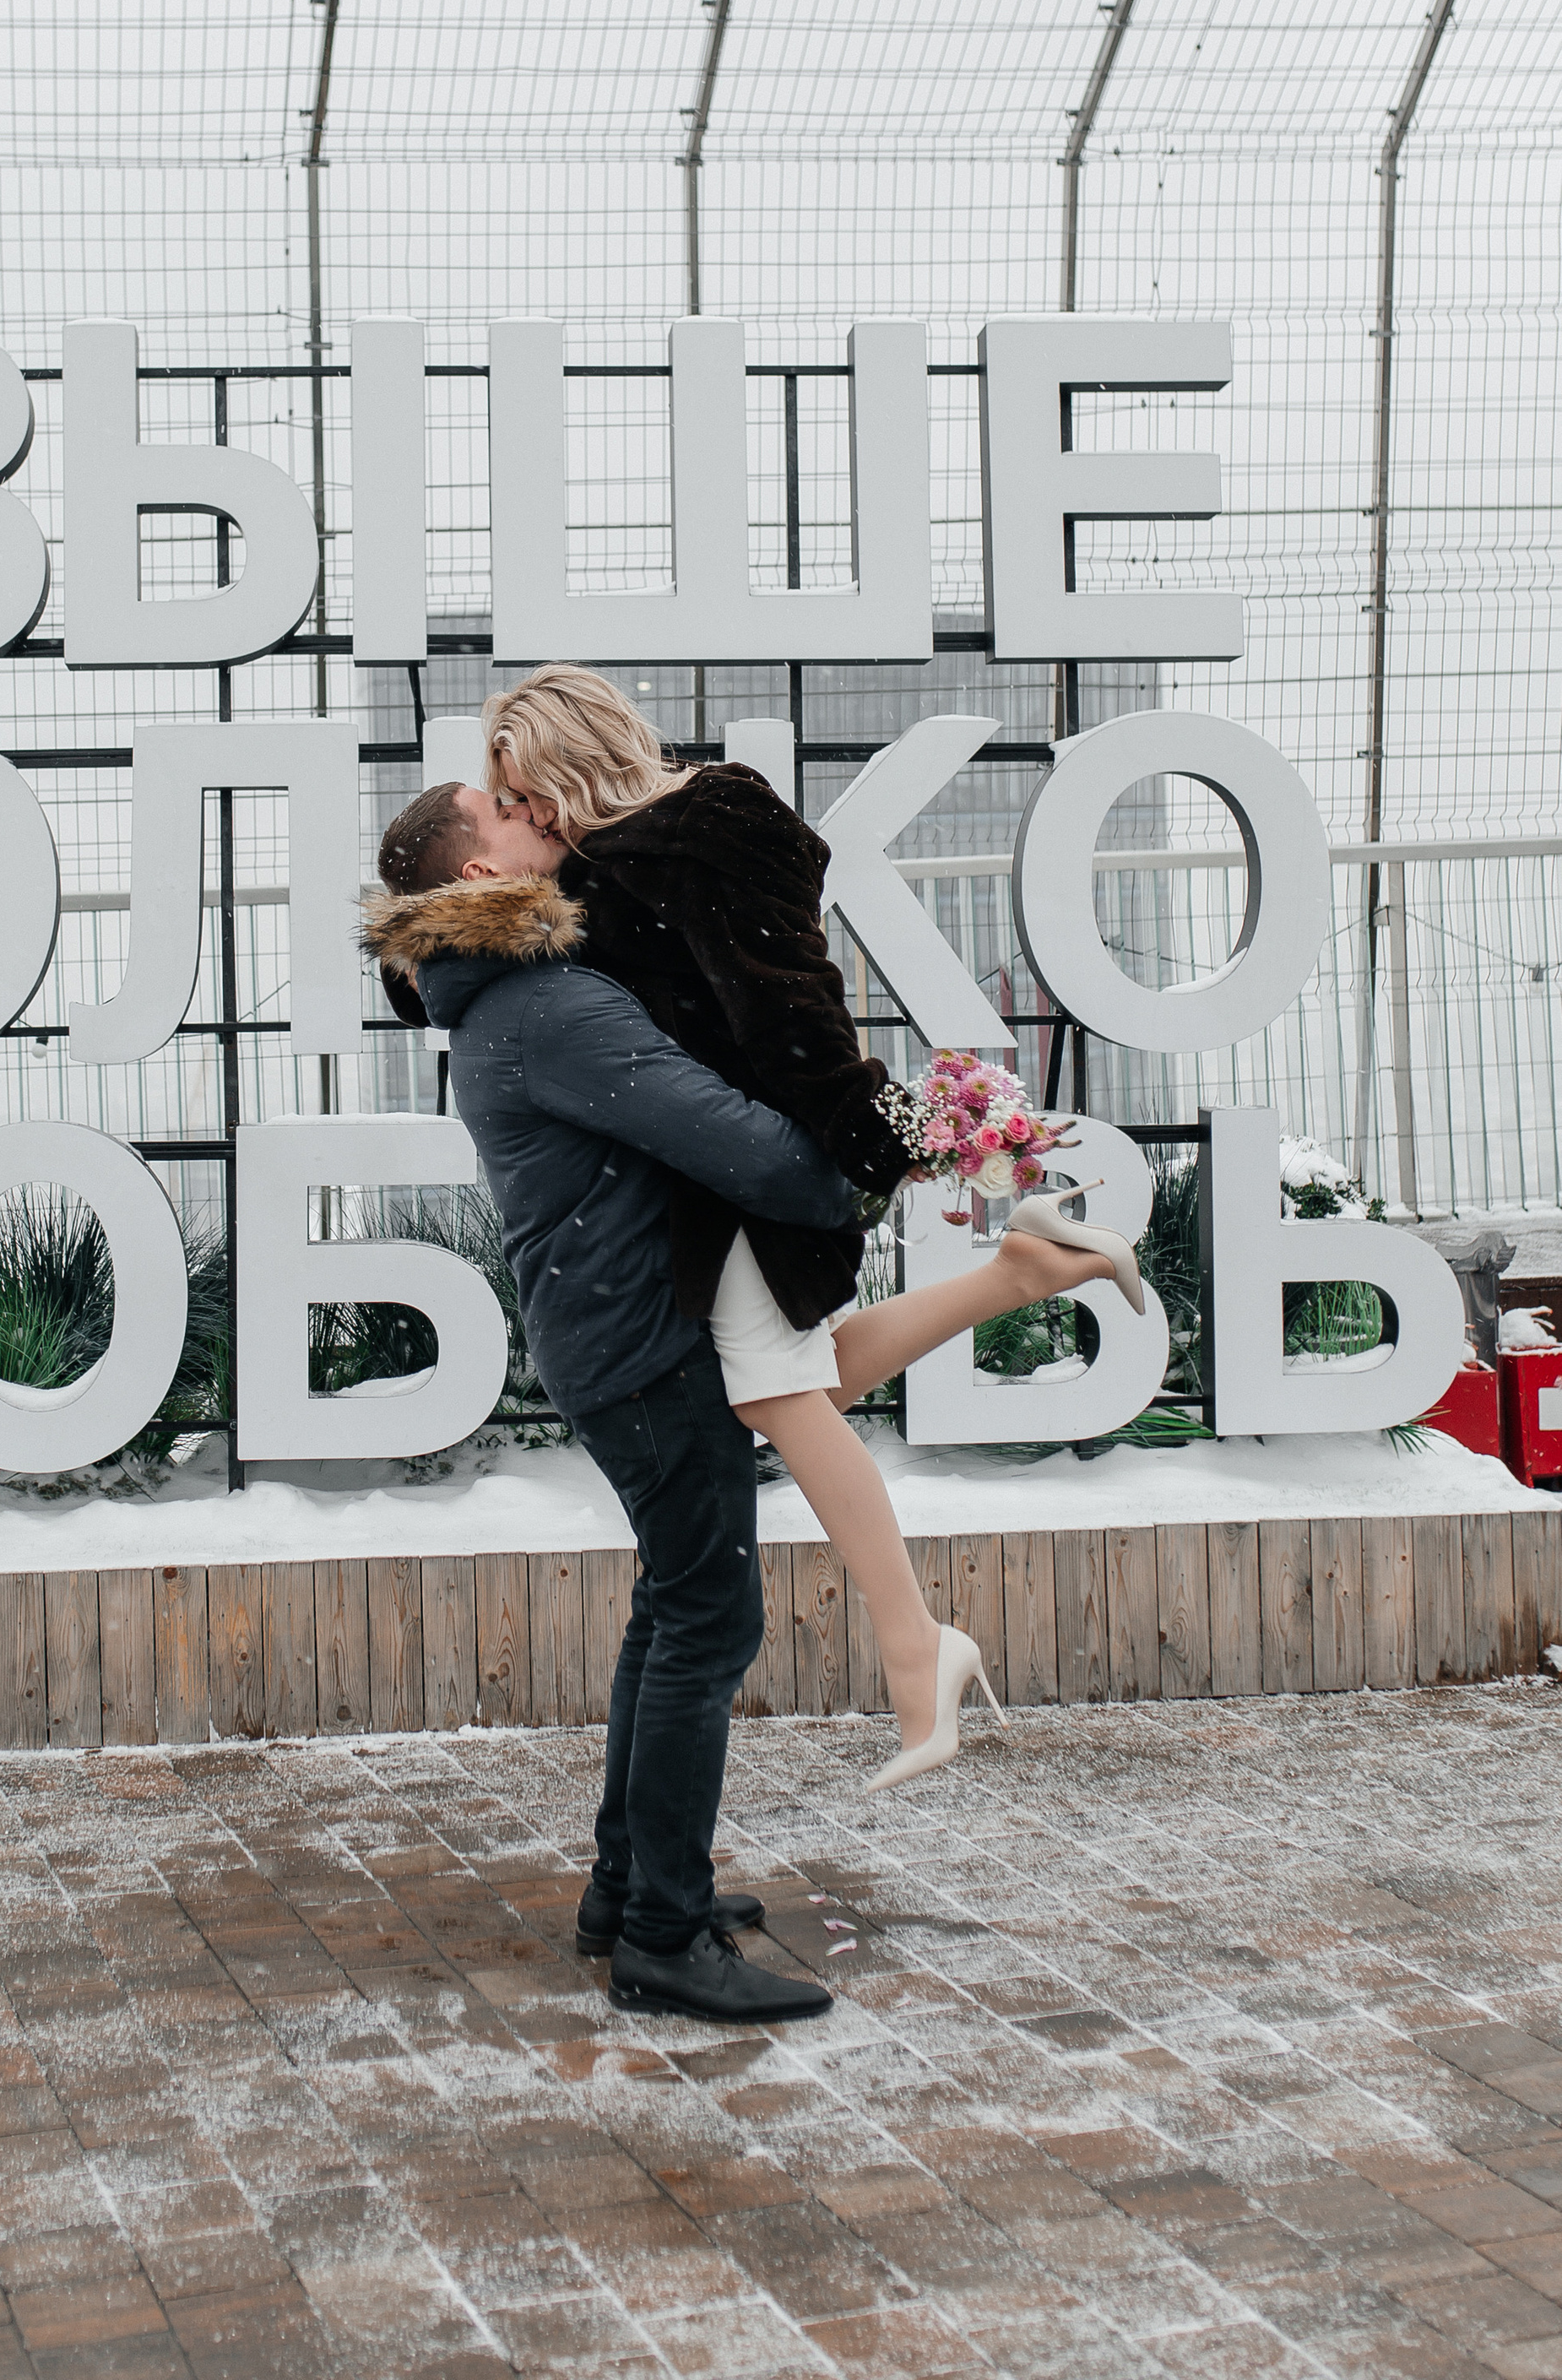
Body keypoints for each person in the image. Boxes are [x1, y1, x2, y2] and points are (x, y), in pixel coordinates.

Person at [471, 664, 1140, 1784]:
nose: (526, 816)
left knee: (777, 1394)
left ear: (569, 764)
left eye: (526, 791)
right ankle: (1023, 1269)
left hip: (757, 1170)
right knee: (793, 1383)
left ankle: (916, 1647)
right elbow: (461, 966)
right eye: (510, 802)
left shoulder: (698, 834)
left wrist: (863, 1138)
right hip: (712, 1178)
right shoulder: (605, 868)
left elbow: (792, 1006)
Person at [365, 791, 850, 2024]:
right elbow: (746, 1149)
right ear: (483, 865)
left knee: (671, 1608)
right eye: (509, 811)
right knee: (708, 1623)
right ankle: (664, 1941)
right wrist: (865, 1154)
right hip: (642, 1341)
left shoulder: (512, 997)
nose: (542, 815)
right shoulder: (548, 1008)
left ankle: (626, 1886)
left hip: (613, 1331)